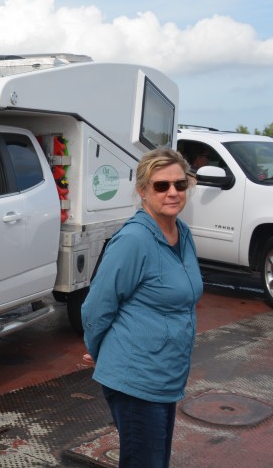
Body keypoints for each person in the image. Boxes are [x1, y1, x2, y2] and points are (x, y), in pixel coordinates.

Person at [80, 147, 204, 468]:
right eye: (161, 186)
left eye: (180, 184)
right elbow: (96, 306)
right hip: (136, 379)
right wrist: (100, 350)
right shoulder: (134, 240)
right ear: (142, 190)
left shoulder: (183, 233)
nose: (173, 192)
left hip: (167, 374)